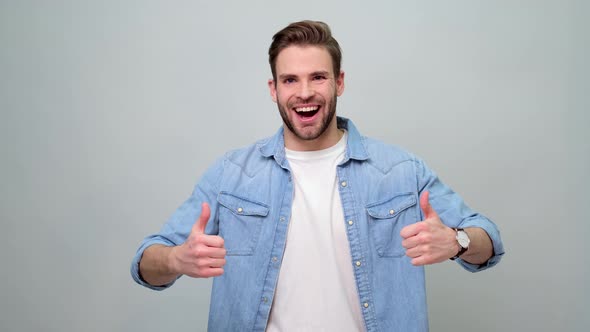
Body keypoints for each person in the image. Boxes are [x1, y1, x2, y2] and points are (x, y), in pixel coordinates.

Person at [131, 20, 504, 332]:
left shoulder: (400, 171)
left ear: (339, 83)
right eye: (290, 80)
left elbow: (488, 240)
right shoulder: (232, 175)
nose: (305, 93)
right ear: (273, 89)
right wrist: (176, 259)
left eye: (318, 77)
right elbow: (146, 262)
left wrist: (457, 241)